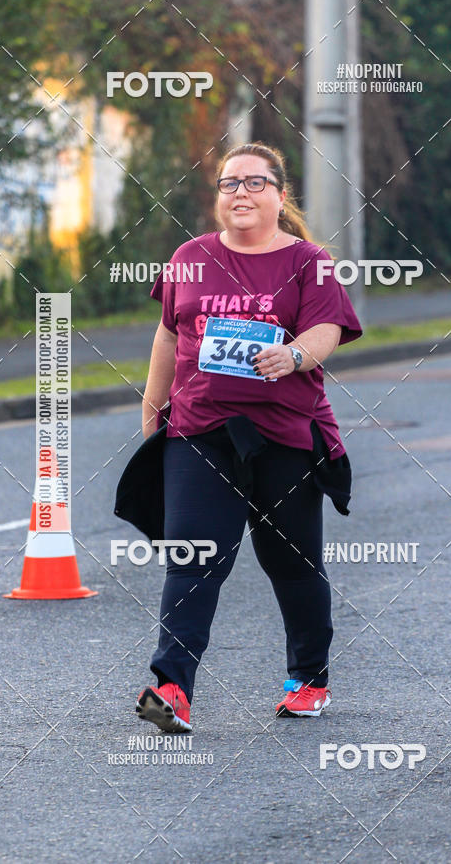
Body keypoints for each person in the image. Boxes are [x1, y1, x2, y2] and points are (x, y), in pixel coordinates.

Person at [133, 141, 362, 733]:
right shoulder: (190, 256)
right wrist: (153, 403)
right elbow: (167, 336)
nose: (240, 192)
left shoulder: (309, 261)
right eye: (229, 183)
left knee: (291, 562)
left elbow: (328, 328)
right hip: (200, 431)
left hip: (283, 435)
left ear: (279, 196)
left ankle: (308, 680)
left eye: (255, 183)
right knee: (193, 556)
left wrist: (292, 355)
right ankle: (170, 689)